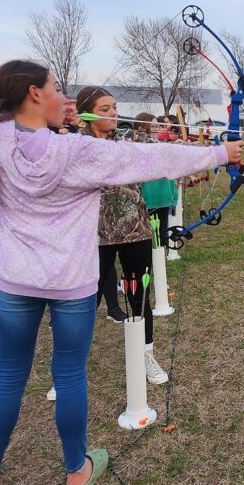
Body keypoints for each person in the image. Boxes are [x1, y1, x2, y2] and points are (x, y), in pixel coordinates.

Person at [0, 60, 242, 485]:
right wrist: (218, 154)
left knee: (9, 375)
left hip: (16, 283)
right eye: (56, 88)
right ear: (34, 93)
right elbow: (151, 158)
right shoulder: (76, 152)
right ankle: (77, 472)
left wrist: (51, 113)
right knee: (69, 375)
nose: (64, 96)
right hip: (69, 285)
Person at [78, 90, 169, 384]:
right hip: (93, 236)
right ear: (87, 114)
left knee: (139, 297)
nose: (114, 113)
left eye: (115, 107)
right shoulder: (74, 144)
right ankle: (70, 367)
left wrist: (217, 150)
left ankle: (146, 355)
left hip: (136, 232)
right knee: (83, 301)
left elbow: (166, 151)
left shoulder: (131, 140)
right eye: (105, 108)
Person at [133, 114, 178, 247]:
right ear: (141, 127)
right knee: (148, 238)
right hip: (149, 197)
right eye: (153, 126)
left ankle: (160, 262)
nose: (157, 128)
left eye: (157, 125)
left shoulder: (159, 145)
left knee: (162, 234)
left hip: (163, 195)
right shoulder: (139, 146)